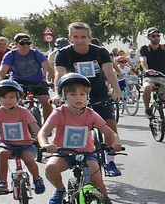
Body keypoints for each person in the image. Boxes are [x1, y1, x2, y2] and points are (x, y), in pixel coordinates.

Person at [40, 72, 123, 204]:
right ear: (64, 96)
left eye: (82, 94)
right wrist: (45, 144)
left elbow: (109, 132)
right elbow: (43, 132)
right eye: (72, 94)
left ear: (87, 96)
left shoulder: (91, 114)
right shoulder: (59, 113)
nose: (78, 98)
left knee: (96, 180)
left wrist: (116, 142)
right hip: (63, 152)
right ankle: (60, 190)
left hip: (86, 153)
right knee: (51, 168)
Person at [52, 22, 123, 176]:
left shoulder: (101, 52)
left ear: (90, 38)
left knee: (110, 124)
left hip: (99, 93)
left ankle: (110, 162)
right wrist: (58, 93)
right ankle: (71, 156)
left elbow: (109, 73)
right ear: (70, 38)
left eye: (83, 37)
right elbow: (59, 74)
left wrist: (116, 90)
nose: (80, 40)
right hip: (74, 95)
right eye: (76, 37)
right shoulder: (63, 53)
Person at [0, 80, 44, 195]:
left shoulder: (24, 111)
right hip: (6, 143)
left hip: (25, 143)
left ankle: (37, 179)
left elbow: (35, 127)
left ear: (18, 98)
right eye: (4, 97)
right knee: (2, 154)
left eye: (12, 97)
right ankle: (3, 182)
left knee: (29, 159)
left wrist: (42, 141)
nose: (8, 100)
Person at [0, 33, 55, 118]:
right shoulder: (11, 55)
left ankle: (48, 125)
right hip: (18, 82)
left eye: (28, 43)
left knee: (47, 102)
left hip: (38, 81)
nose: (26, 46)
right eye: (22, 43)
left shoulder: (36, 53)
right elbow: (2, 70)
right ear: (16, 44)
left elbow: (49, 68)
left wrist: (55, 82)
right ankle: (19, 121)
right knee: (16, 103)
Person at [138, 29, 165, 114]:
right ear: (148, 37)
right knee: (147, 87)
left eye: (158, 36)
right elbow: (143, 60)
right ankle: (147, 109)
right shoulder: (145, 48)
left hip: (163, 77)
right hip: (150, 77)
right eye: (153, 36)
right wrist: (146, 70)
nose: (156, 38)